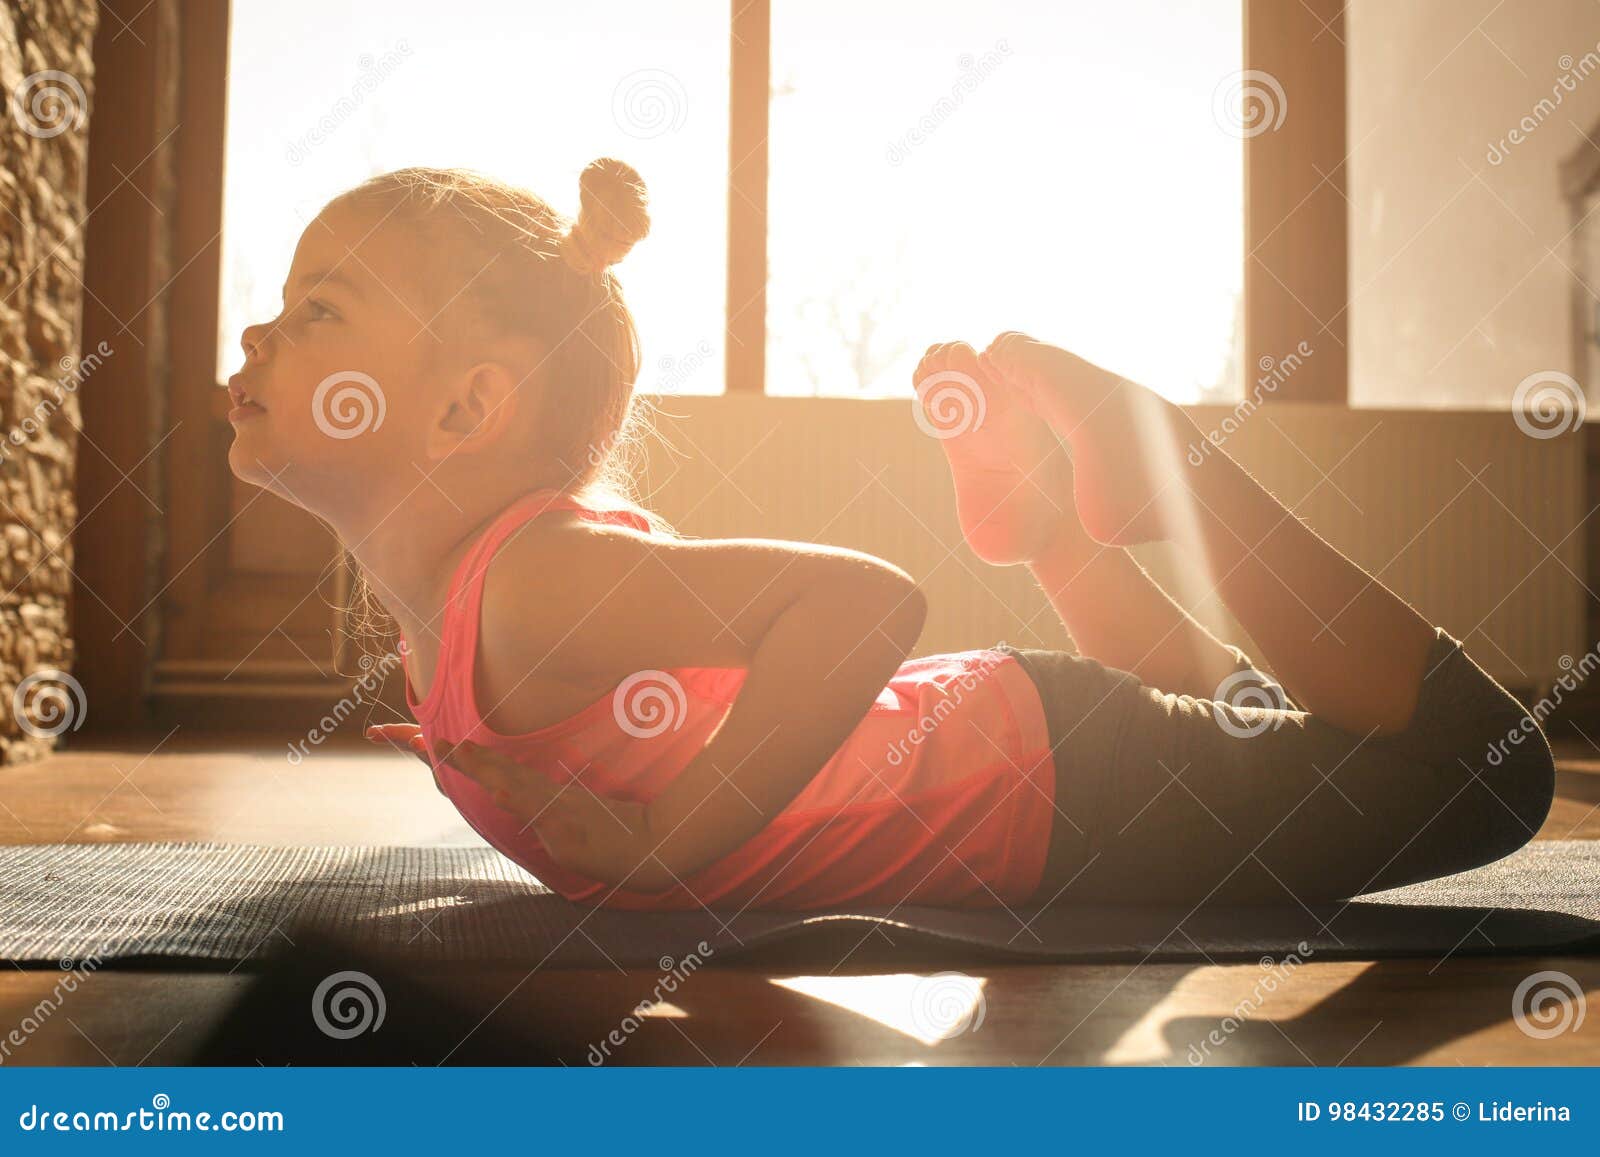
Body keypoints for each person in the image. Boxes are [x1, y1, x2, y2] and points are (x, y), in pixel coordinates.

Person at [225, 158, 1552, 913]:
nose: (258, 334)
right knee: (1254, 718)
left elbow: (864, 605)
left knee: (1484, 776)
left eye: (318, 310)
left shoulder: (535, 586)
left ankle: (1173, 471)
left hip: (1054, 800)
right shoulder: (461, 599)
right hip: (1029, 755)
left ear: (466, 403)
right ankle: (1063, 535)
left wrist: (662, 841)